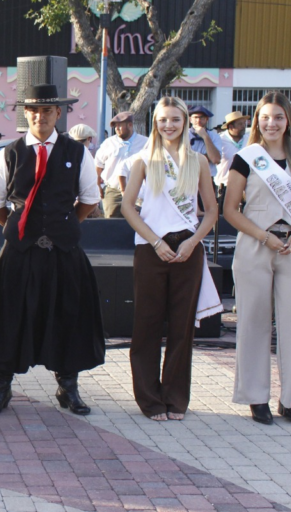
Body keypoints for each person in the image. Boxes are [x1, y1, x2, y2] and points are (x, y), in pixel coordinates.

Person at [0, 84, 105, 417]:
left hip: (64, 252)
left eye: (47, 110)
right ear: (25, 114)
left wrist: (64, 226)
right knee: (9, 318)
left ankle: (68, 388)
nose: (40, 116)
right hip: (20, 253)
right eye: (33, 110)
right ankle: (1, 389)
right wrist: (19, 228)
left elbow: (90, 199)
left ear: (59, 114)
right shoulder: (10, 152)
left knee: (68, 316)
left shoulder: (77, 153)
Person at [121, 97, 219, 421]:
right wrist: (154, 241)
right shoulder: (144, 160)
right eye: (163, 120)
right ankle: (149, 400)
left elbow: (212, 211)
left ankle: (175, 398)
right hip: (151, 248)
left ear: (186, 121)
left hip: (187, 248)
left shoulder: (199, 162)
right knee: (147, 325)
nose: (169, 126)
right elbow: (126, 207)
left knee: (181, 329)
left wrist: (193, 242)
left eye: (175, 120)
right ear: (155, 123)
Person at [224, 91, 291, 425]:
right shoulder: (247, 157)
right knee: (253, 322)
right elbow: (230, 209)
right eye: (265, 117)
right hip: (255, 245)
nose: (272, 123)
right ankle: (255, 396)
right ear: (256, 121)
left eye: (278, 116)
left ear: (288, 119)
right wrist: (263, 236)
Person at [95, 111, 148, 218]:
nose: (117, 129)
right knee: (112, 222)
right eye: (115, 126)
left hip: (138, 191)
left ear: (130, 125)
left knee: (139, 222)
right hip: (114, 191)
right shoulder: (108, 143)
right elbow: (98, 165)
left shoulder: (145, 142)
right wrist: (98, 186)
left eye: (120, 126)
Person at [215, 111, 250, 193]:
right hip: (224, 185)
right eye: (240, 124)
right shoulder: (220, 140)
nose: (244, 126)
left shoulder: (248, 139)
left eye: (244, 123)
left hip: (244, 185)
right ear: (231, 127)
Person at [186, 105, 223, 180]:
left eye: (202, 117)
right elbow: (183, 158)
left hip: (208, 178)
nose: (198, 121)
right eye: (195, 117)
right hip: (187, 177)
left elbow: (216, 159)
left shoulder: (214, 136)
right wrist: (206, 157)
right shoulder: (184, 135)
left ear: (207, 119)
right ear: (190, 119)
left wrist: (205, 137)